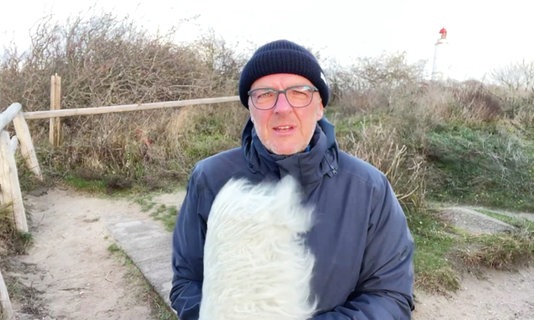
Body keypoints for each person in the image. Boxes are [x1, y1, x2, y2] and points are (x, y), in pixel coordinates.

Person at [170, 39, 415, 319]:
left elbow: (390, 296)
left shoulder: (369, 189)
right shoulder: (210, 179)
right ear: (250, 107)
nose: (282, 107)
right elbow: (187, 282)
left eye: (299, 93)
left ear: (320, 106)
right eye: (264, 94)